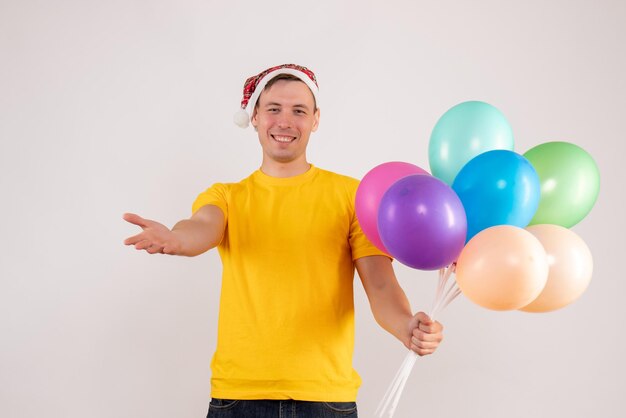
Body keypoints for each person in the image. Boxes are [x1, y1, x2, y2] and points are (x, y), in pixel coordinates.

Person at [123, 64, 444, 418]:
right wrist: (175, 238)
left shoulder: (351, 196)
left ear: (316, 119)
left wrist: (406, 326)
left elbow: (381, 286)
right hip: (238, 399)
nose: (285, 121)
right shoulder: (227, 196)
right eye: (274, 109)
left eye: (299, 111)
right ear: (256, 116)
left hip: (325, 400)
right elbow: (201, 228)